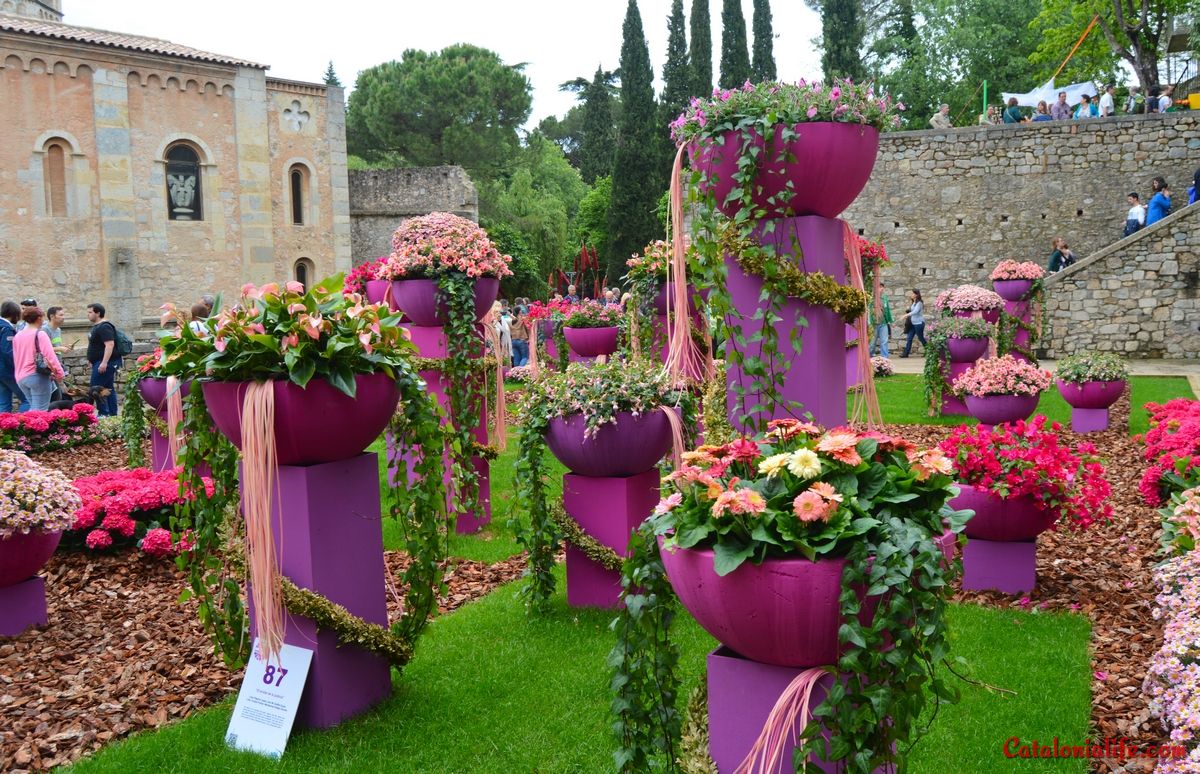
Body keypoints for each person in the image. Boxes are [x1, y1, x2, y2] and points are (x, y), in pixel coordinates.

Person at [13, 307, 64, 412]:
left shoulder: (18, 335)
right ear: (39, 318)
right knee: (40, 412)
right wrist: (60, 374)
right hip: (36, 376)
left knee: (34, 409)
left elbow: (16, 357)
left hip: (21, 377)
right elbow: (50, 356)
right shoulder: (40, 334)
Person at [86, 302, 120, 416]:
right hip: (99, 361)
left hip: (107, 362)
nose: (88, 314)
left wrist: (104, 362)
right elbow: (95, 345)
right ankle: (112, 414)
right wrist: (91, 359)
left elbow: (109, 344)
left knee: (95, 388)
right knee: (107, 388)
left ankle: (103, 413)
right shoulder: (97, 326)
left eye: (90, 312)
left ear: (98, 313)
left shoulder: (104, 326)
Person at [0, 301, 27, 413]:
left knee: (4, 403)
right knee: (27, 399)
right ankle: (23, 422)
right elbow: (8, 352)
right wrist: (20, 366)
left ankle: (4, 424)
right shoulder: (6, 329)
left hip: (1, 372)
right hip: (8, 371)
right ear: (14, 314)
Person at [897, 290, 925, 358]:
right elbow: (912, 311)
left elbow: (915, 311)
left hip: (919, 323)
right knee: (909, 338)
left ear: (916, 295)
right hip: (913, 324)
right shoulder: (914, 303)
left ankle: (929, 351)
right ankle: (905, 353)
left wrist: (905, 315)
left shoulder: (919, 303)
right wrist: (908, 311)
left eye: (913, 293)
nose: (911, 295)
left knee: (921, 338)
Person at [869, 282, 893, 359]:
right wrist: (869, 323)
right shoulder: (871, 298)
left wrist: (890, 321)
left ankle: (885, 358)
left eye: (882, 287)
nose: (881, 289)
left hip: (883, 323)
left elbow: (887, 310)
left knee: (884, 341)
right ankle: (869, 356)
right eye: (880, 287)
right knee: (872, 343)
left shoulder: (885, 298)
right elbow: (869, 311)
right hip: (873, 323)